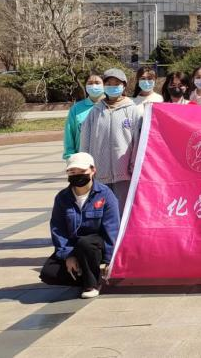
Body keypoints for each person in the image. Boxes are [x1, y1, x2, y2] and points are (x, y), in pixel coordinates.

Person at [39, 153, 120, 299]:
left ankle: (91, 284)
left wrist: (110, 259)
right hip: (74, 247)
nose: (77, 175)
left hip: (95, 246)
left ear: (93, 170)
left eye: (82, 171)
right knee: (48, 273)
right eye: (72, 172)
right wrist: (68, 255)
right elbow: (58, 229)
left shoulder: (106, 195)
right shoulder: (62, 197)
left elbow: (112, 229)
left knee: (85, 243)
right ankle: (90, 274)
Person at [79, 69, 143, 206]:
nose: (112, 87)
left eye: (116, 84)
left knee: (123, 209)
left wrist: (134, 166)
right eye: (109, 84)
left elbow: (138, 141)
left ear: (124, 86)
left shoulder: (132, 110)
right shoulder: (95, 111)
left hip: (125, 174)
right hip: (99, 173)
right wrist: (85, 165)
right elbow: (85, 140)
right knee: (101, 210)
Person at [63, 73, 104, 159]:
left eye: (97, 83)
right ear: (85, 86)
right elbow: (69, 134)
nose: (94, 86)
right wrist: (70, 156)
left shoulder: (109, 106)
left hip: (106, 159)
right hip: (82, 160)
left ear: (104, 85)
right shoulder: (76, 108)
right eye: (90, 83)